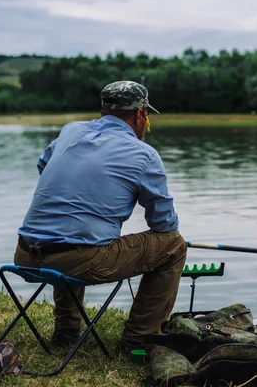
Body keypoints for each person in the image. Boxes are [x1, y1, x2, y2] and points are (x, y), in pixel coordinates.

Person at [14, 81, 187, 354]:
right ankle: (137, 340)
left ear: (104, 109)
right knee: (174, 246)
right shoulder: (144, 154)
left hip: (25, 255)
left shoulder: (71, 130)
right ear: (141, 115)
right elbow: (163, 224)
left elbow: (43, 164)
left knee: (74, 238)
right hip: (79, 262)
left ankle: (67, 331)